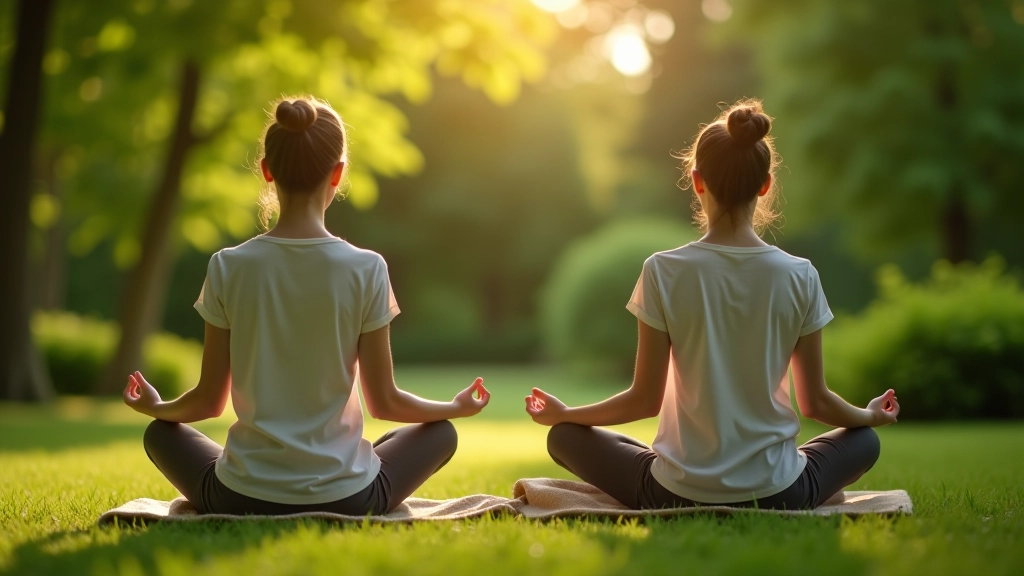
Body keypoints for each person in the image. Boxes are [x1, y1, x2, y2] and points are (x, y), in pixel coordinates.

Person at [525, 99, 900, 510]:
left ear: (697, 180)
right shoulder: (800, 274)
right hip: (781, 492)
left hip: (672, 493)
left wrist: (567, 413)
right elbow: (815, 402)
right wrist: (869, 416)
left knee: (563, 435)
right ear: (766, 184)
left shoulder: (663, 270)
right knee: (863, 440)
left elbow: (643, 400)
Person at [124, 96, 490, 516]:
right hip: (350, 498)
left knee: (160, 433)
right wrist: (455, 408)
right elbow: (385, 402)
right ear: (338, 174)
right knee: (440, 433)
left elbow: (208, 401)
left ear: (266, 170)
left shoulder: (228, 265)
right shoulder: (366, 268)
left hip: (238, 495)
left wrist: (157, 406)